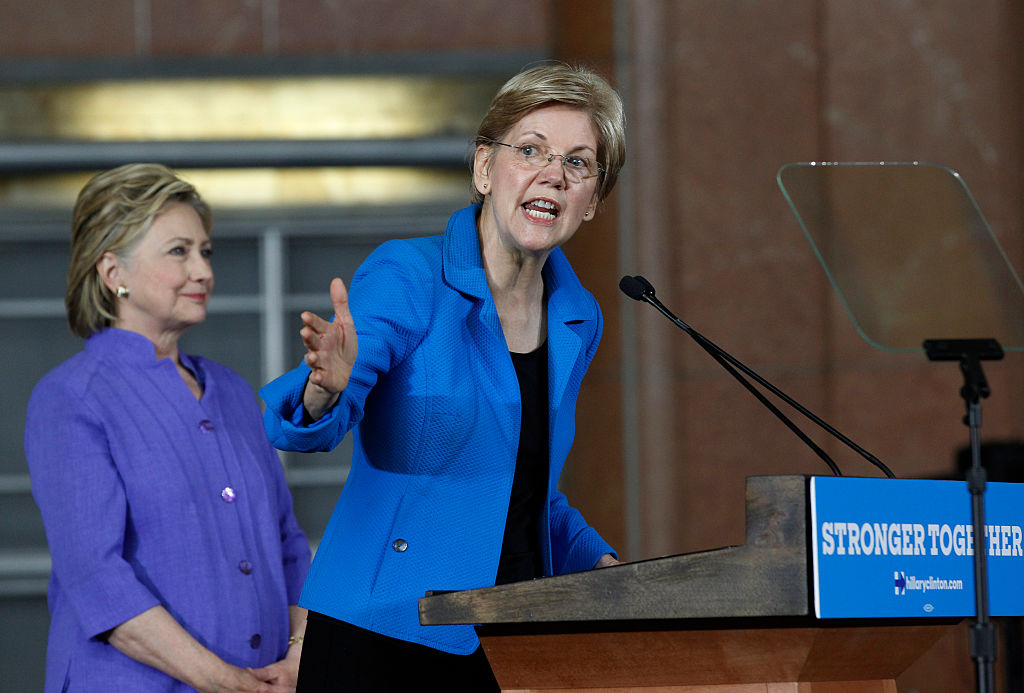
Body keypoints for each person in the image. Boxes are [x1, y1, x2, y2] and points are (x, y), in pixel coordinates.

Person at [260, 62, 626, 691]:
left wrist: (602, 563)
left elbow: (523, 486)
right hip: (383, 631)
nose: (553, 174)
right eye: (530, 150)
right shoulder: (408, 276)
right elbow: (309, 421)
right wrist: (327, 388)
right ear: (485, 168)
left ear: (591, 200)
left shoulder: (577, 316)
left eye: (578, 163)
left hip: (511, 634)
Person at [24, 163, 312, 693]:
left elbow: (287, 541)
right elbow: (95, 578)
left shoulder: (231, 390)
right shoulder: (71, 398)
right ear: (113, 272)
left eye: (206, 251)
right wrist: (225, 682)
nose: (203, 271)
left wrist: (299, 654)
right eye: (179, 251)